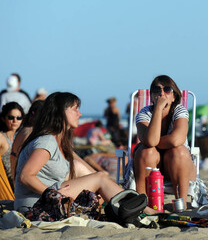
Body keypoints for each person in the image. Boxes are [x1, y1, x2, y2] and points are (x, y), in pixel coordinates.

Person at [13, 92, 156, 215]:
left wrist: (106, 182)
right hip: (34, 205)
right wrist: (55, 195)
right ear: (60, 112)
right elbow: (25, 176)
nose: (80, 114)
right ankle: (142, 210)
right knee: (100, 178)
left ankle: (137, 208)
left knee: (89, 173)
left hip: (47, 197)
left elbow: (84, 168)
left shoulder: (60, 141)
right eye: (75, 109)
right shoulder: (47, 141)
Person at [132, 75, 196, 209]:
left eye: (167, 89)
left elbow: (176, 139)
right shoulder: (144, 114)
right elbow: (150, 141)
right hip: (152, 165)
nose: (161, 93)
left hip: (178, 165)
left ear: (174, 97)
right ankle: (143, 204)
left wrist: (153, 142)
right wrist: (158, 110)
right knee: (147, 152)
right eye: (156, 90)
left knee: (178, 151)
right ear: (151, 97)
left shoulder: (179, 110)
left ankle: (181, 204)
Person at [0, 102, 25, 189]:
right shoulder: (1, 137)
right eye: (11, 117)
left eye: (19, 118)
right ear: (3, 118)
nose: (15, 121)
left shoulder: (21, 136)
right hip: (4, 185)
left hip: (19, 183)